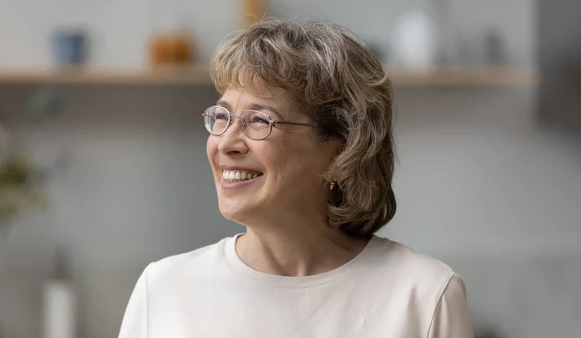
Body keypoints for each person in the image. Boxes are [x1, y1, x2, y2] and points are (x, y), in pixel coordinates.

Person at [118, 19, 474, 337]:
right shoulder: (163, 291)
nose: (225, 143)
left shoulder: (425, 298)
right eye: (221, 116)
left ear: (341, 149)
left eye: (258, 120)